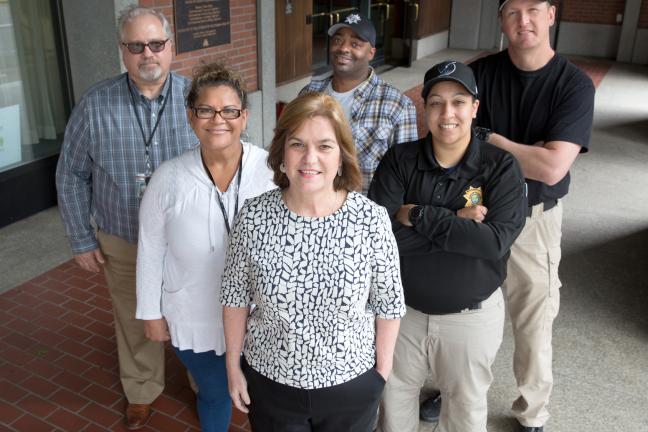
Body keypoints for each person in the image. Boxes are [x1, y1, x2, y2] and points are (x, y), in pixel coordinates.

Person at [221, 92, 406, 431]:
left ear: (341, 156)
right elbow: (234, 297)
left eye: (324, 146)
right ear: (282, 153)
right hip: (271, 382)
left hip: (352, 385)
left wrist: (381, 372)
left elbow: (389, 303)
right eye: (297, 145)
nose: (310, 158)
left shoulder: (370, 220)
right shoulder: (254, 216)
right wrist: (233, 366)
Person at [55, 6, 198, 429]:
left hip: (190, 239)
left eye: (156, 44)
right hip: (124, 238)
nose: (147, 54)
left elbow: (234, 161)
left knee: (196, 312)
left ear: (171, 47)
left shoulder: (200, 100)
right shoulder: (95, 104)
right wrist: (81, 239)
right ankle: (141, 388)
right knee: (136, 317)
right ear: (122, 51)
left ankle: (203, 381)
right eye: (136, 46)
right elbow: (71, 174)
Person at [370, 60, 527, 432]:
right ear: (425, 108)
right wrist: (456, 223)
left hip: (470, 317)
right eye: (436, 102)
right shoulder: (399, 160)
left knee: (466, 413)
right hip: (401, 313)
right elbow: (378, 238)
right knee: (393, 405)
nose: (447, 113)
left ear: (475, 107)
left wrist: (419, 215)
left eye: (458, 102)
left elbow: (492, 243)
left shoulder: (501, 167)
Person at [469, 1, 595, 430]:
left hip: (534, 219)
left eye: (533, 9)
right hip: (477, 215)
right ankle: (457, 391)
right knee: (463, 313)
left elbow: (552, 167)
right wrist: (531, 149)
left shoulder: (573, 85)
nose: (524, 20)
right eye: (512, 12)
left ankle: (532, 412)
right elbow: (455, 147)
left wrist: (491, 140)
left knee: (533, 322)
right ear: (501, 21)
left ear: (551, 14)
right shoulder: (481, 75)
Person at [135, 63, 274, 432]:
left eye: (229, 110)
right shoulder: (169, 177)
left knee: (267, 399)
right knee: (214, 392)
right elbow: (150, 248)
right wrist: (150, 311)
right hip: (194, 314)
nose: (219, 120)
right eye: (206, 110)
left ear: (244, 116)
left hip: (262, 314)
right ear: (191, 117)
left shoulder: (272, 171)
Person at [299, 12, 417, 194]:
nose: (343, 48)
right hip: (311, 204)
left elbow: (408, 175)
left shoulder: (397, 105)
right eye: (338, 40)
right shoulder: (309, 94)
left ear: (371, 53)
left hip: (364, 215)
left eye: (355, 44)